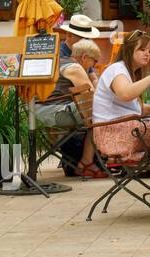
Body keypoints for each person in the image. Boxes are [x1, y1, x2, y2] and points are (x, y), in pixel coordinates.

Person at [91, 29, 150, 202]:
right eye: (142, 50)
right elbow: (125, 94)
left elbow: (130, 107)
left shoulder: (126, 72)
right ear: (129, 50)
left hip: (121, 129)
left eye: (149, 51)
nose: (147, 54)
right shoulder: (117, 70)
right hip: (114, 135)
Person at [35, 37, 105, 178]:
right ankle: (87, 162)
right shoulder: (74, 67)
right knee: (102, 113)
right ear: (84, 57)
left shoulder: (61, 62)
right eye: (94, 61)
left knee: (100, 112)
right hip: (55, 111)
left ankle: (90, 160)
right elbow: (90, 95)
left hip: (41, 110)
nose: (94, 65)